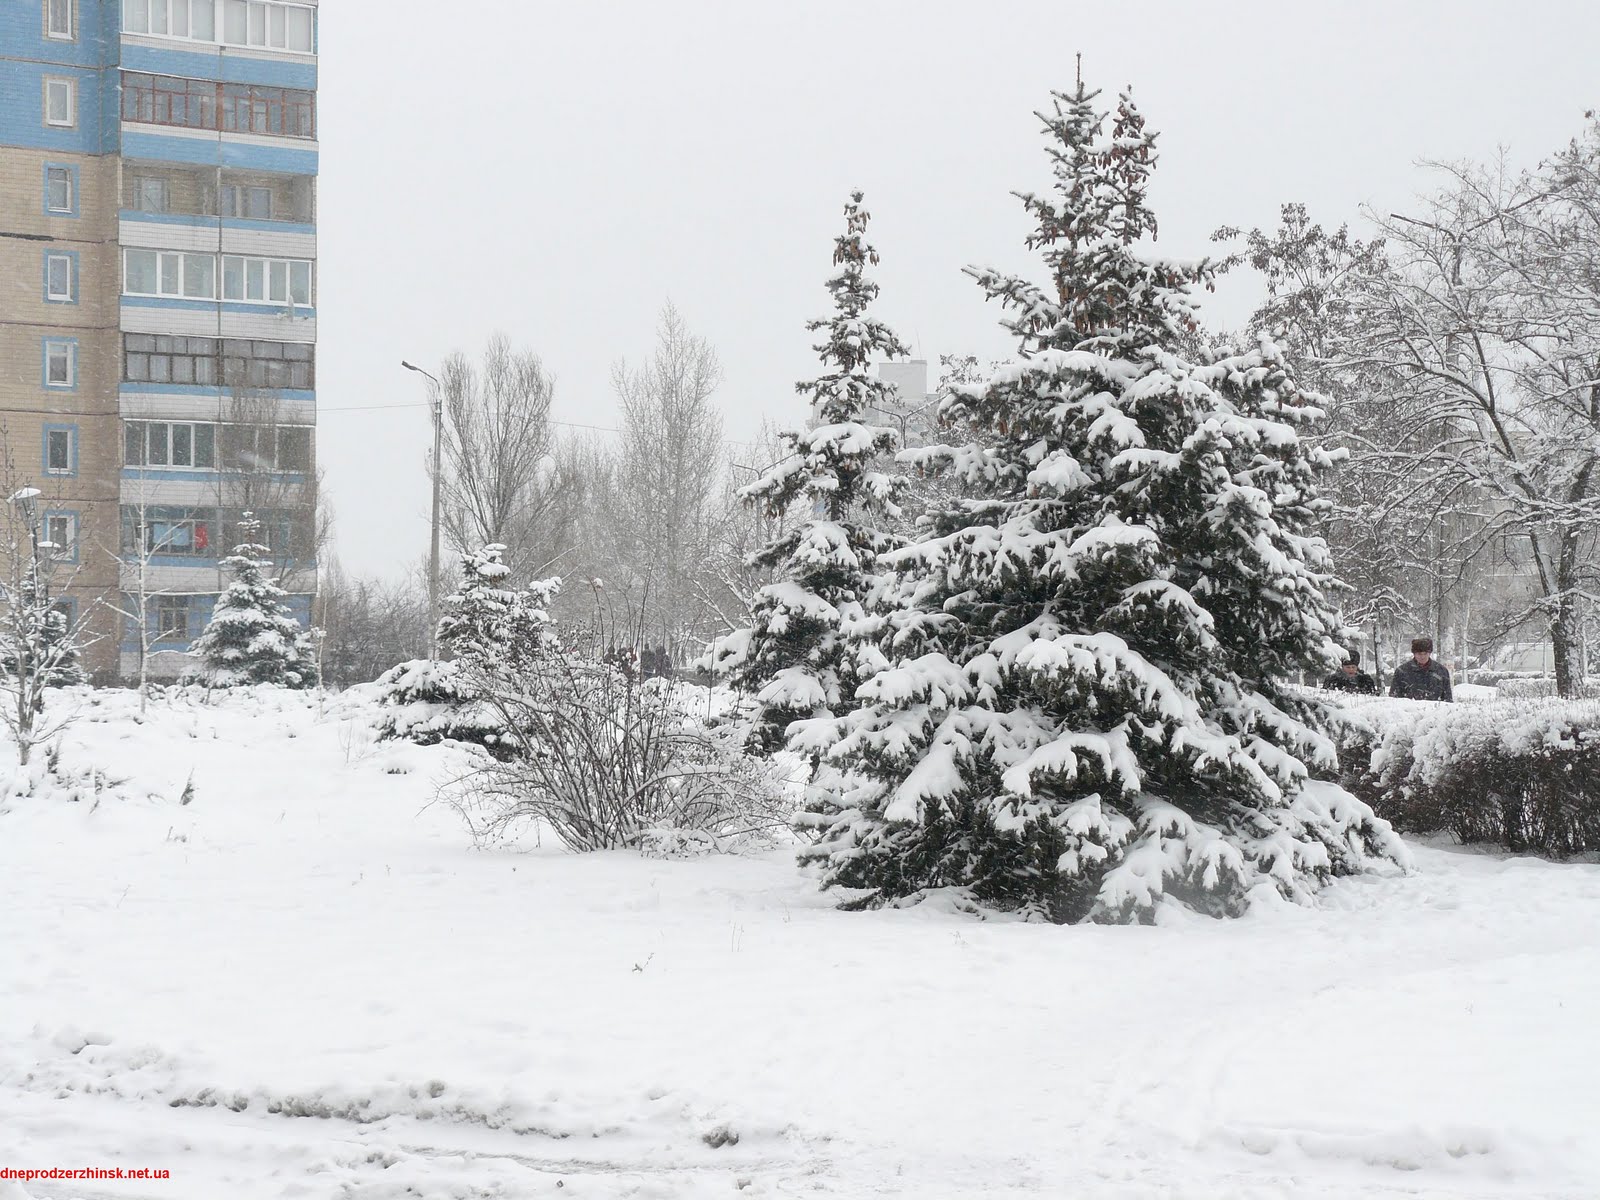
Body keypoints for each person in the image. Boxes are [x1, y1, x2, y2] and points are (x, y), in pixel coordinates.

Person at [1388, 636, 1453, 702]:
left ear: (1430, 653)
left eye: (1425, 653)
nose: (1422, 657)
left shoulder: (1441, 671)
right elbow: (1394, 700)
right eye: (1419, 654)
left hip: (1434, 711)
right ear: (1414, 654)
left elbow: (1447, 700)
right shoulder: (1402, 672)